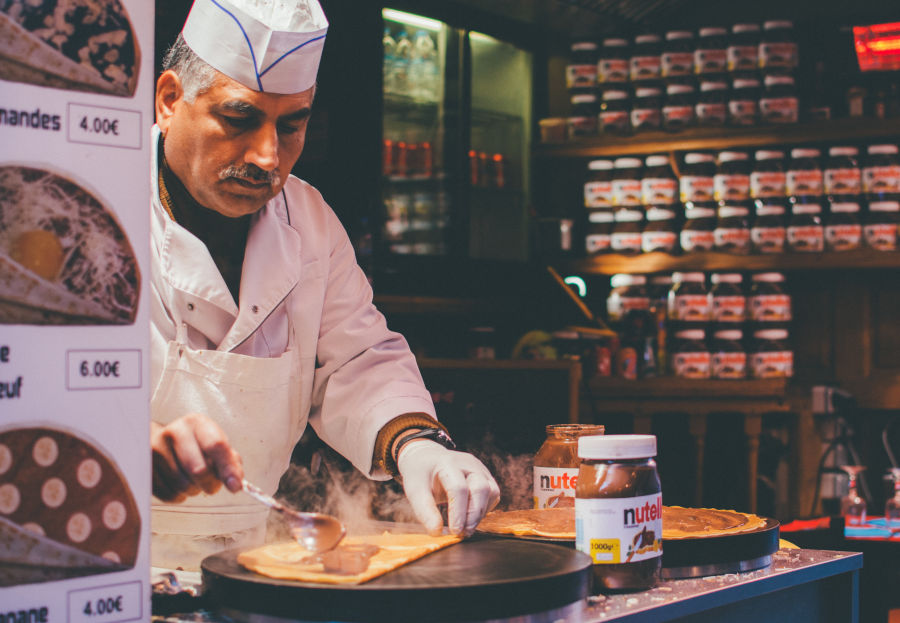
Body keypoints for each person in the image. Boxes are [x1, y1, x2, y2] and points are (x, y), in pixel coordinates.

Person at [149, 0, 499, 570]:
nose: (268, 157)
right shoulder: (90, 207)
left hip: (248, 559)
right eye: (239, 119)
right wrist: (123, 438)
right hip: (105, 552)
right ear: (169, 101)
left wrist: (419, 447)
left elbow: (356, 360)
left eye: (291, 126)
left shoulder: (308, 218)